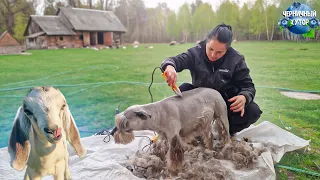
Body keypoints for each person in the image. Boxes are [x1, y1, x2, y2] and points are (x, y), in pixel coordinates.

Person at [160, 23, 262, 136]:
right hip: (200, 103)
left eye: (219, 52)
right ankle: (192, 130)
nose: (213, 55)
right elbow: (174, 60)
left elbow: (248, 86)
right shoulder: (195, 53)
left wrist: (244, 96)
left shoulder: (236, 59)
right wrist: (169, 67)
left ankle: (224, 133)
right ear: (206, 42)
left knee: (253, 110)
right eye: (210, 49)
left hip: (225, 104)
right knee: (184, 90)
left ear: (227, 49)